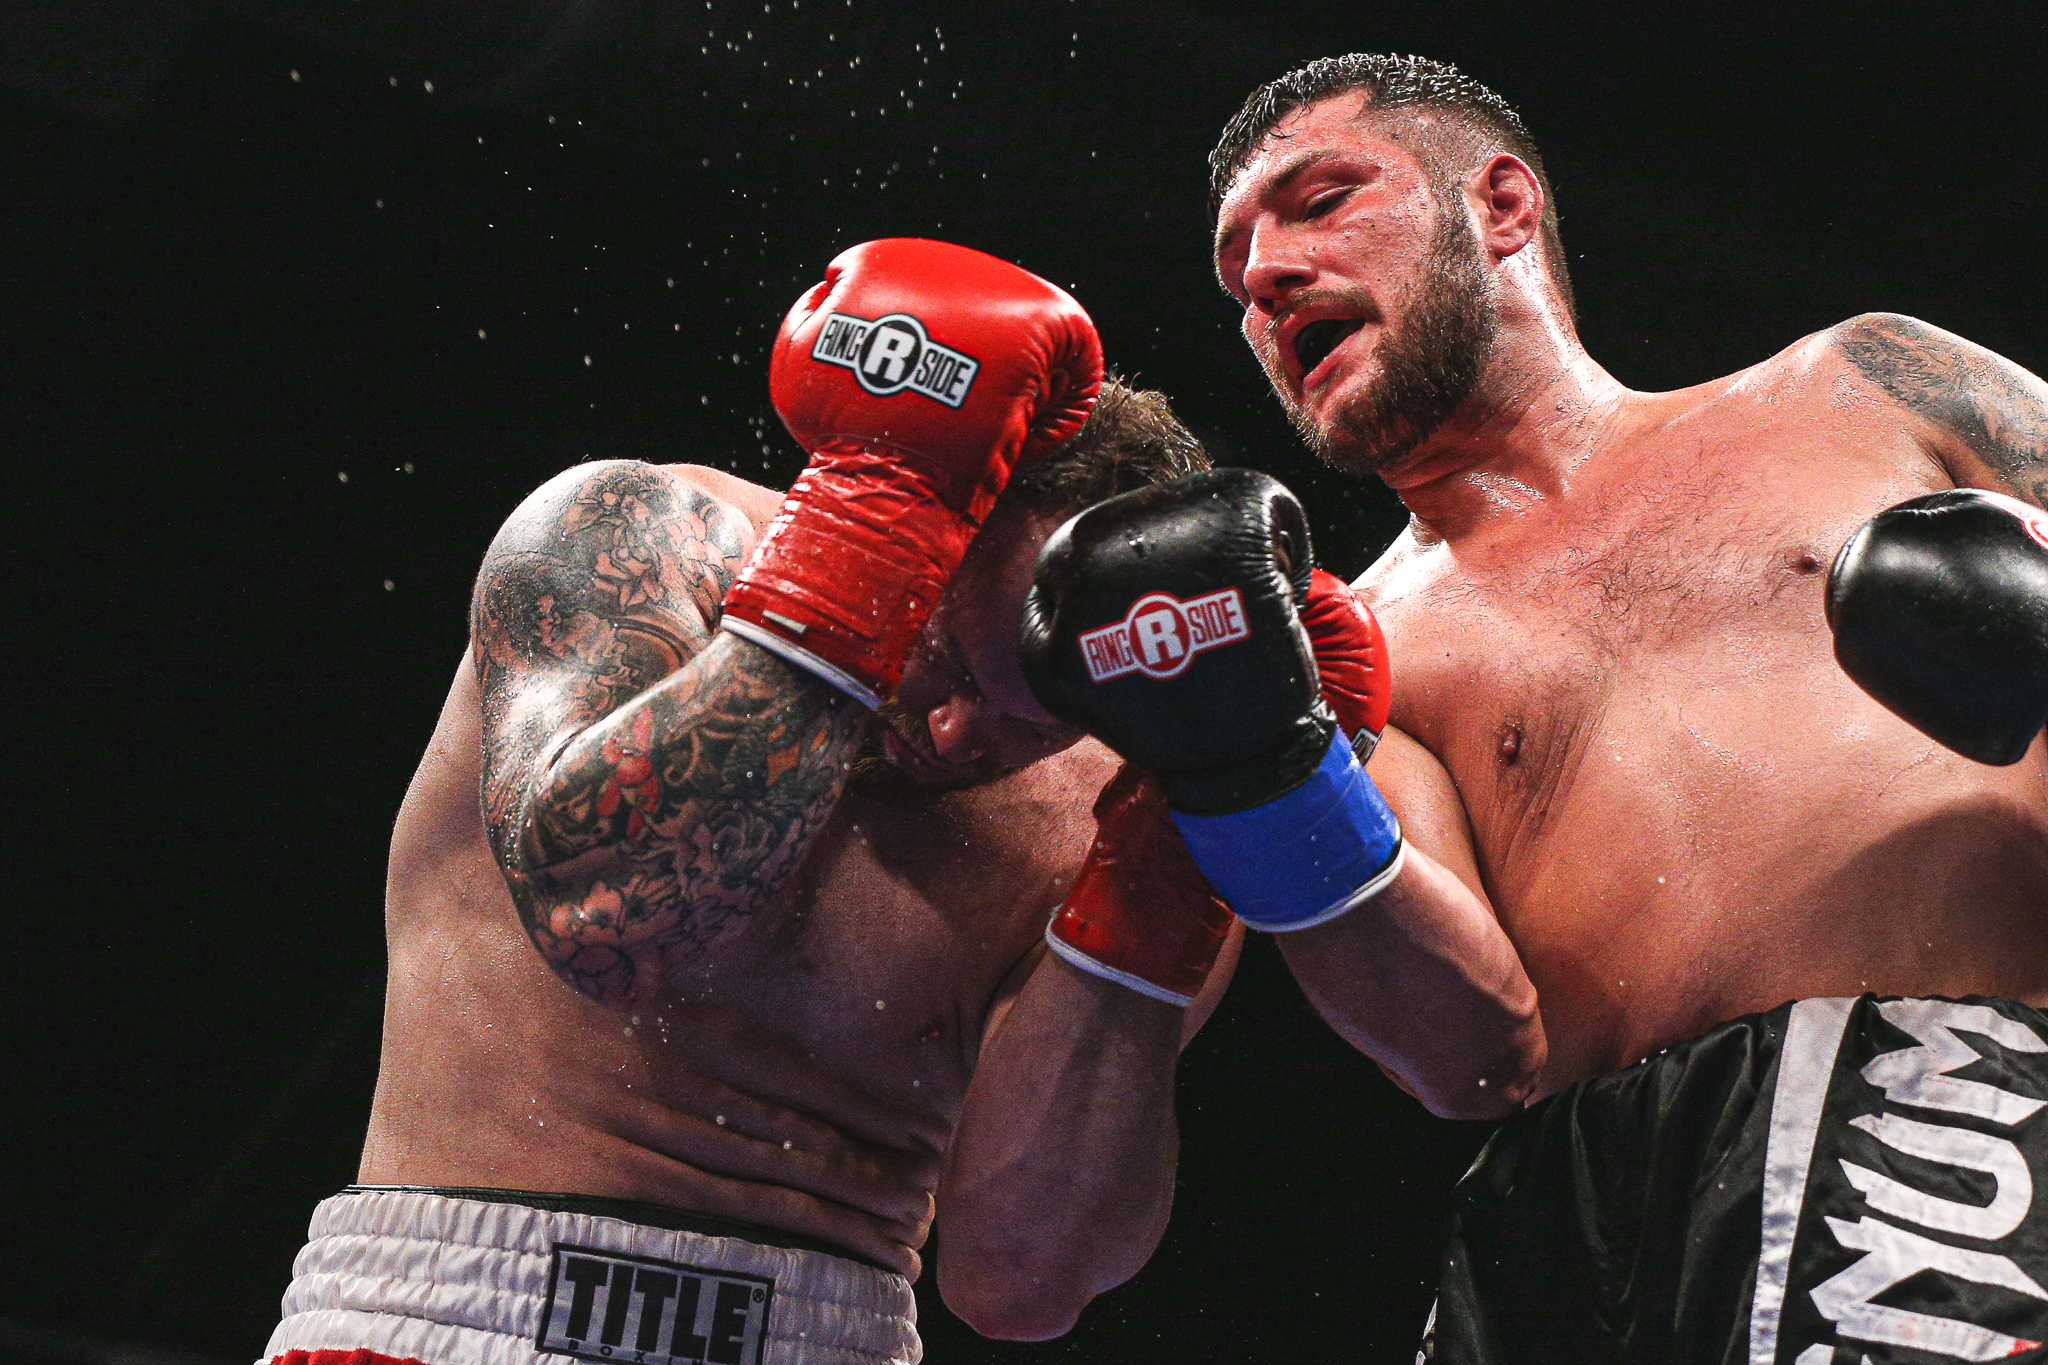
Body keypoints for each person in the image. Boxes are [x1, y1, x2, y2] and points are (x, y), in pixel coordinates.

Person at [1035, 54, 2048, 1363]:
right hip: (1562, 1215)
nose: (1266, 275)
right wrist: (1258, 773)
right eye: (1235, 270)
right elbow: (1473, 1056)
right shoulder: (1353, 651)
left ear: (1501, 204)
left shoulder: (1866, 386)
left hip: (1926, 1102)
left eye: (1319, 200)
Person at [257, 239, 1245, 1365]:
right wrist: (851, 567)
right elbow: (607, 920)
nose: (963, 732)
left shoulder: (1122, 804)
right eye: (954, 663)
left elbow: (1022, 1280)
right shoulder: (638, 544)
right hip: (459, 1314)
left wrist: (1173, 857)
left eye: (1036, 717)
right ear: (921, 527)